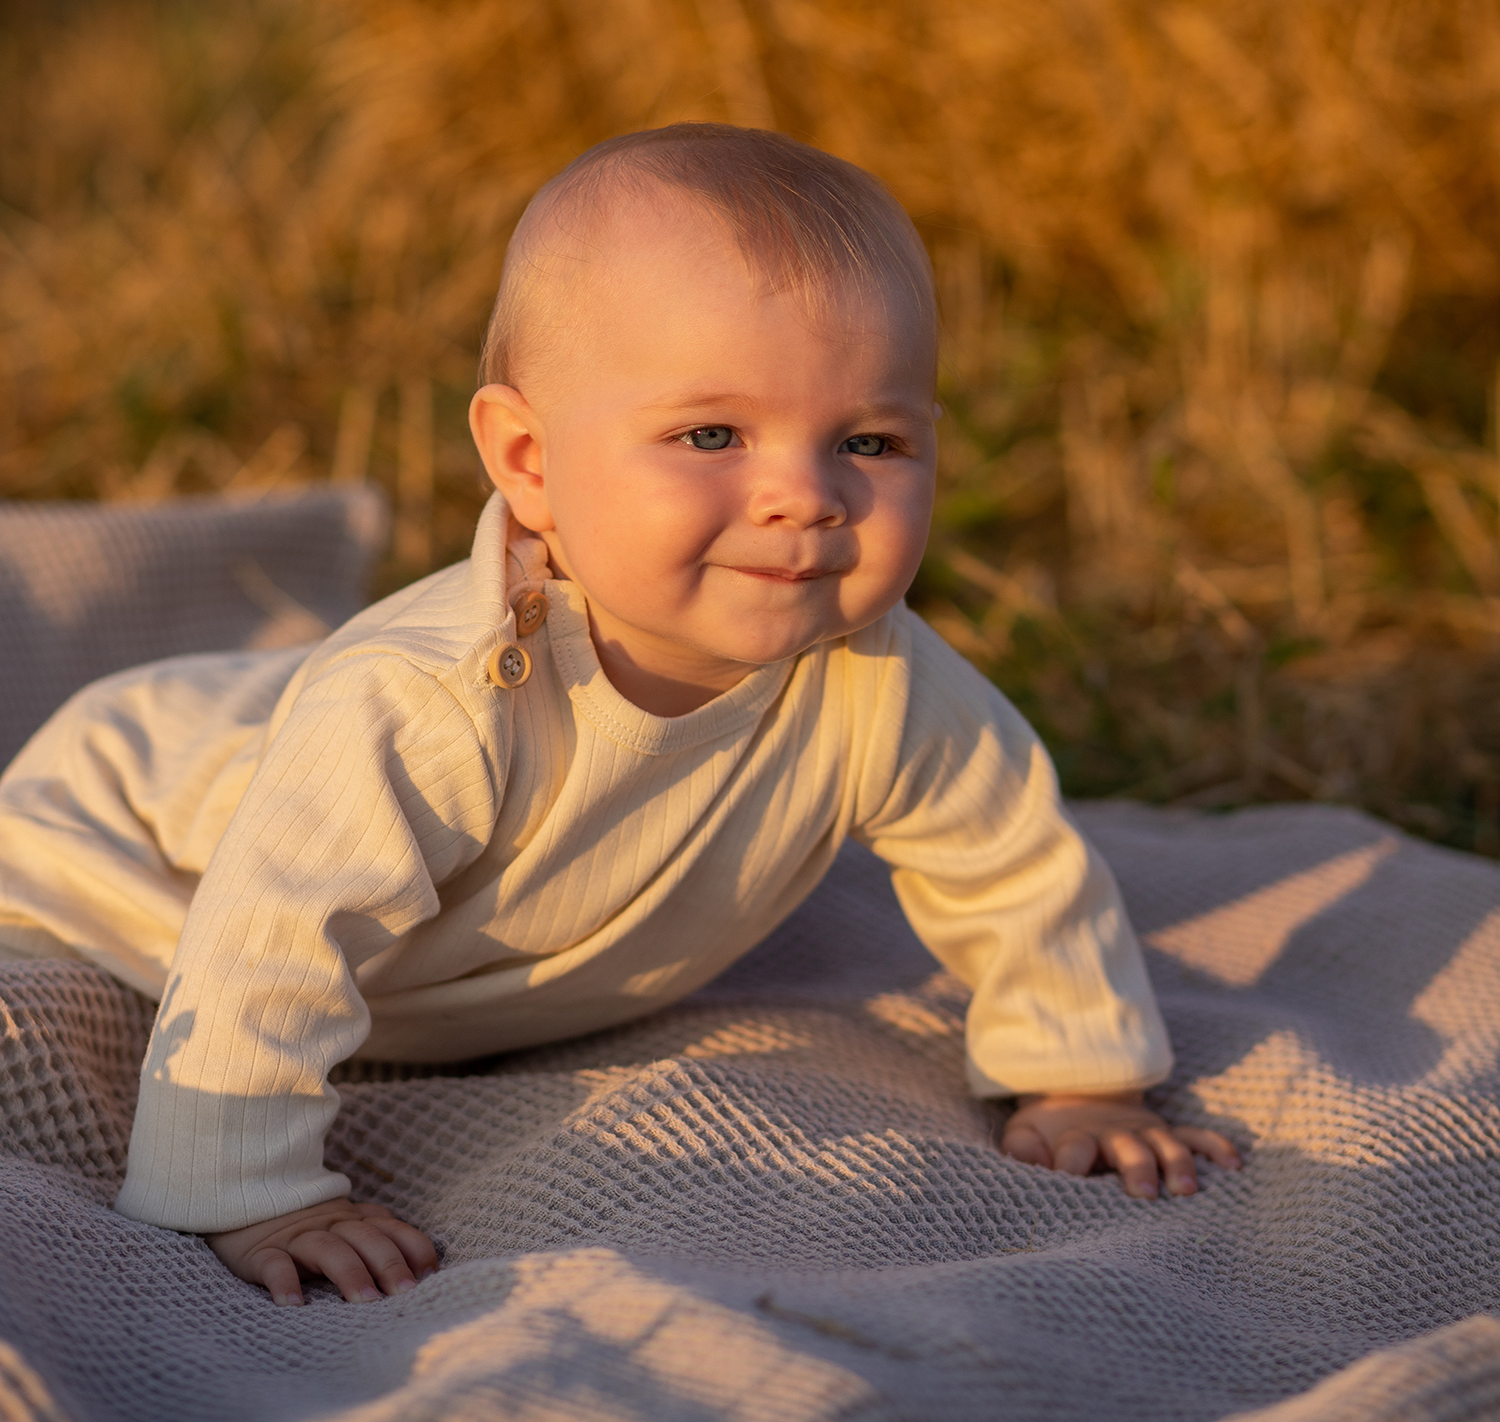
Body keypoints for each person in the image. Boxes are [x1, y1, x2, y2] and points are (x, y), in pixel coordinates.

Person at [0, 123, 1239, 1308]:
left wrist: (1079, 1075)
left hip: (431, 963)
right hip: (135, 852)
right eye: (712, 433)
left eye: (869, 439)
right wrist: (247, 1196)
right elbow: (271, 939)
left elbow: (1009, 856)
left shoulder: (879, 676)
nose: (807, 497)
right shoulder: (425, 704)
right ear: (530, 463)